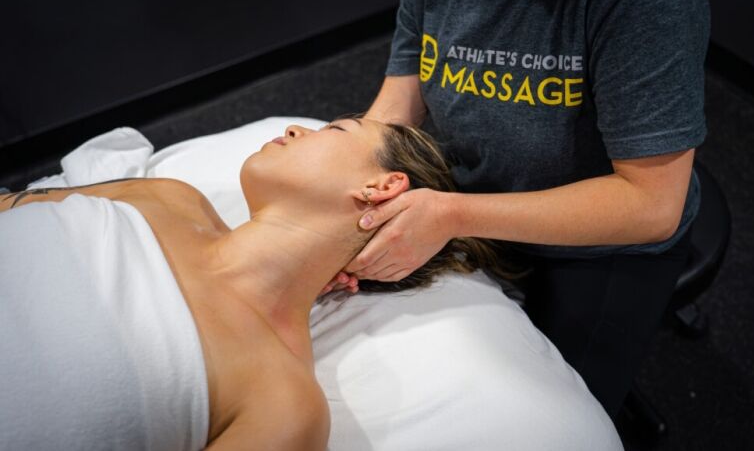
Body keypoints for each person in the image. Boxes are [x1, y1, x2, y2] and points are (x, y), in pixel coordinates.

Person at [0, 119, 505, 450]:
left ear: (382, 186)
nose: (293, 127)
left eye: (334, 128)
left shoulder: (284, 405)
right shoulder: (170, 198)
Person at [341, 0, 711, 417]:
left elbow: (651, 204)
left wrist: (453, 215)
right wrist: (340, 192)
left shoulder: (650, 3)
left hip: (602, 245)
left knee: (557, 415)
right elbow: (400, 98)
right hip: (469, 200)